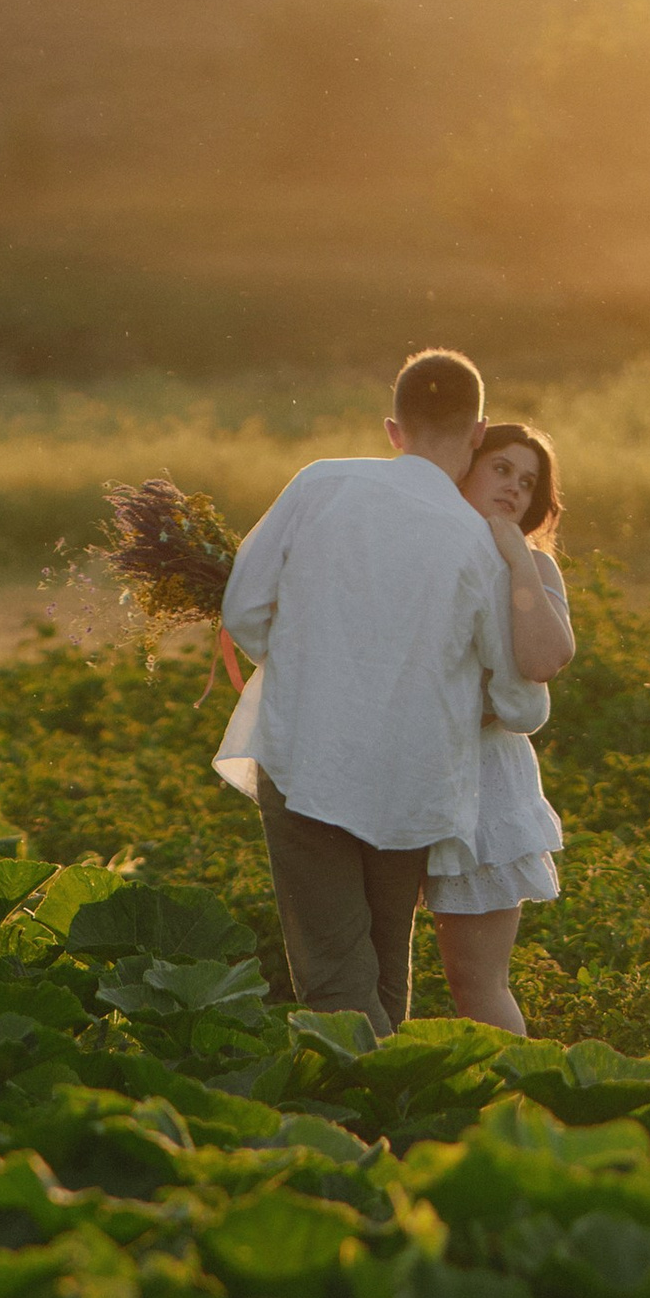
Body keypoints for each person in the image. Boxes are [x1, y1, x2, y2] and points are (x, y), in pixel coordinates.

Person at [213, 348, 569, 1037]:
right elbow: (523, 702)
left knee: (336, 977)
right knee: (382, 969)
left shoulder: (319, 484)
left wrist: (317, 675)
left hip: (305, 758)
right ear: (476, 433)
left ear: (392, 427)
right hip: (413, 777)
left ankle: (357, 1124)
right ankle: (395, 1118)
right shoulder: (476, 542)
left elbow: (244, 610)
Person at [428, 419, 571, 1035]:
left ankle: (514, 1117)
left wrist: (515, 556)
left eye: (529, 481)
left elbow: (544, 659)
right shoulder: (419, 544)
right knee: (373, 972)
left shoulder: (534, 566)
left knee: (476, 982)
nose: (514, 487)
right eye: (501, 469)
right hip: (402, 770)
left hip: (486, 787)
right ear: (466, 464)